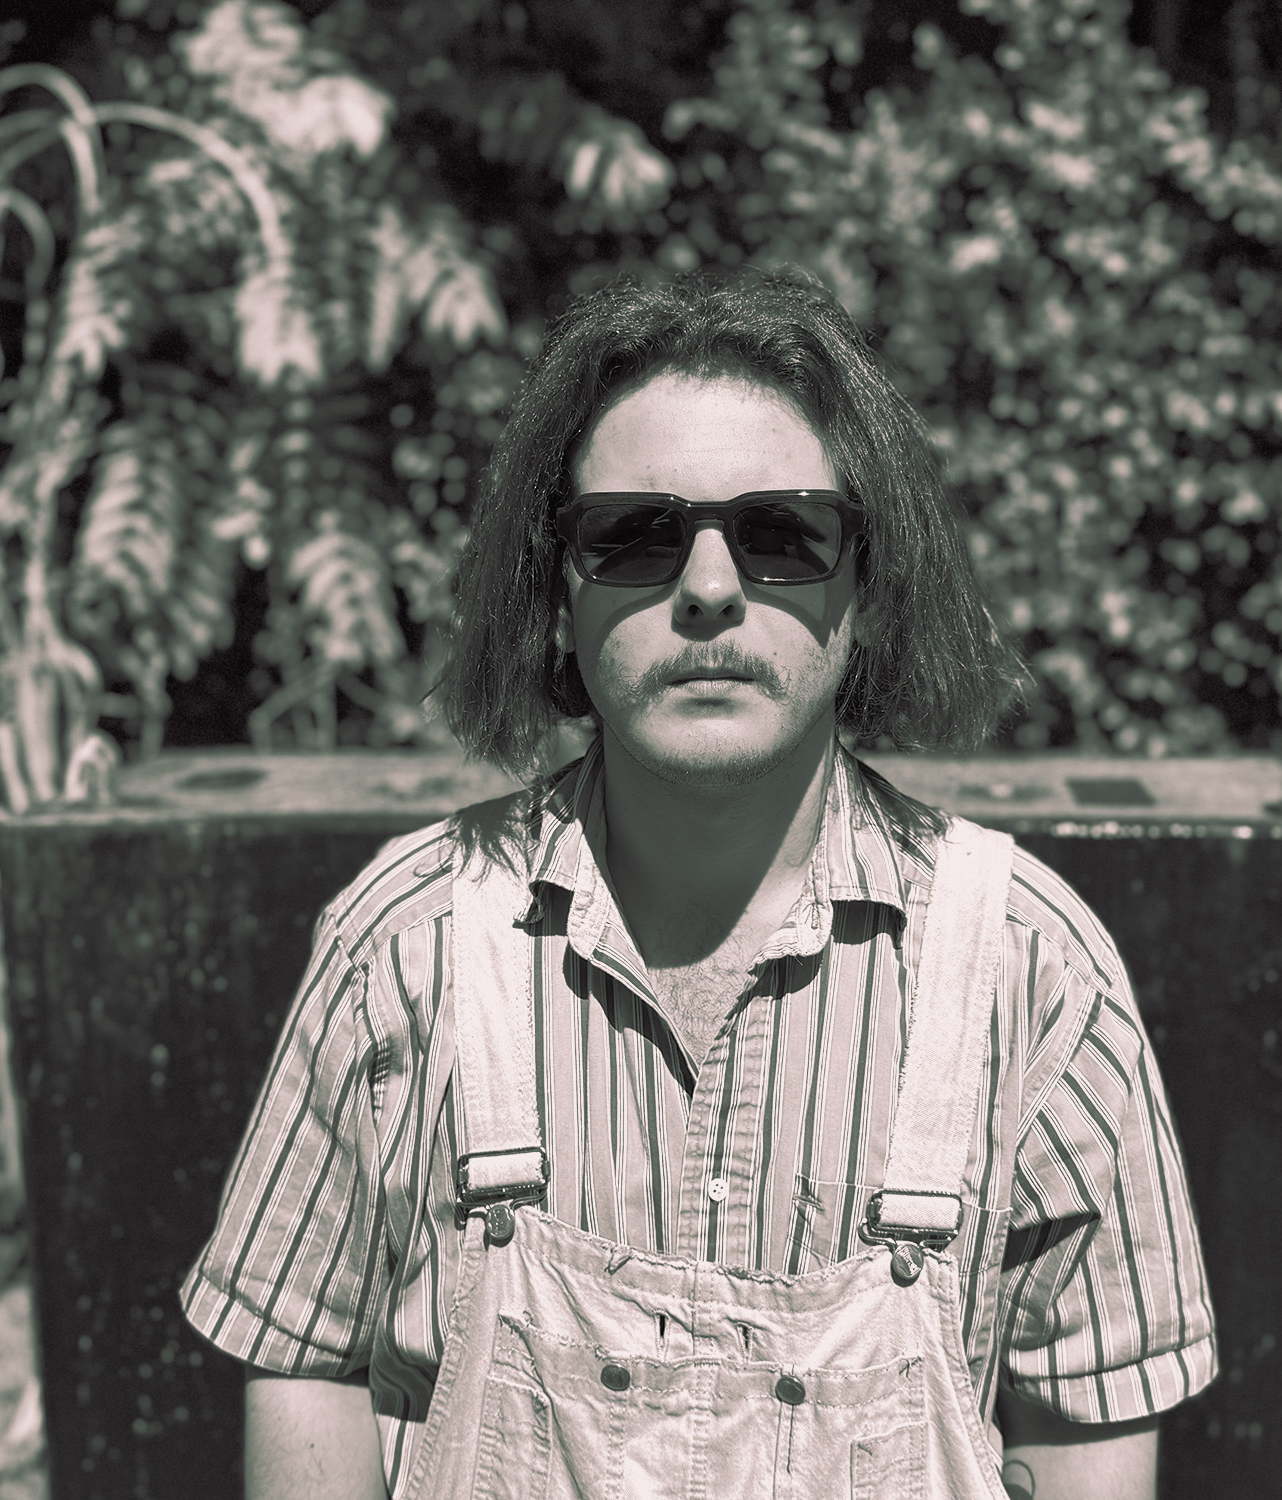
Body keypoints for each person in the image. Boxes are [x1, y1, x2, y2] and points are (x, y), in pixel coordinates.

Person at [181, 271, 1217, 1499]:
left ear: (868, 590)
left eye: (782, 534)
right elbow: (307, 1362)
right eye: (635, 535)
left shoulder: (1031, 977)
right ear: (556, 594)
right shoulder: (403, 947)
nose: (711, 588)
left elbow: (1085, 1431)